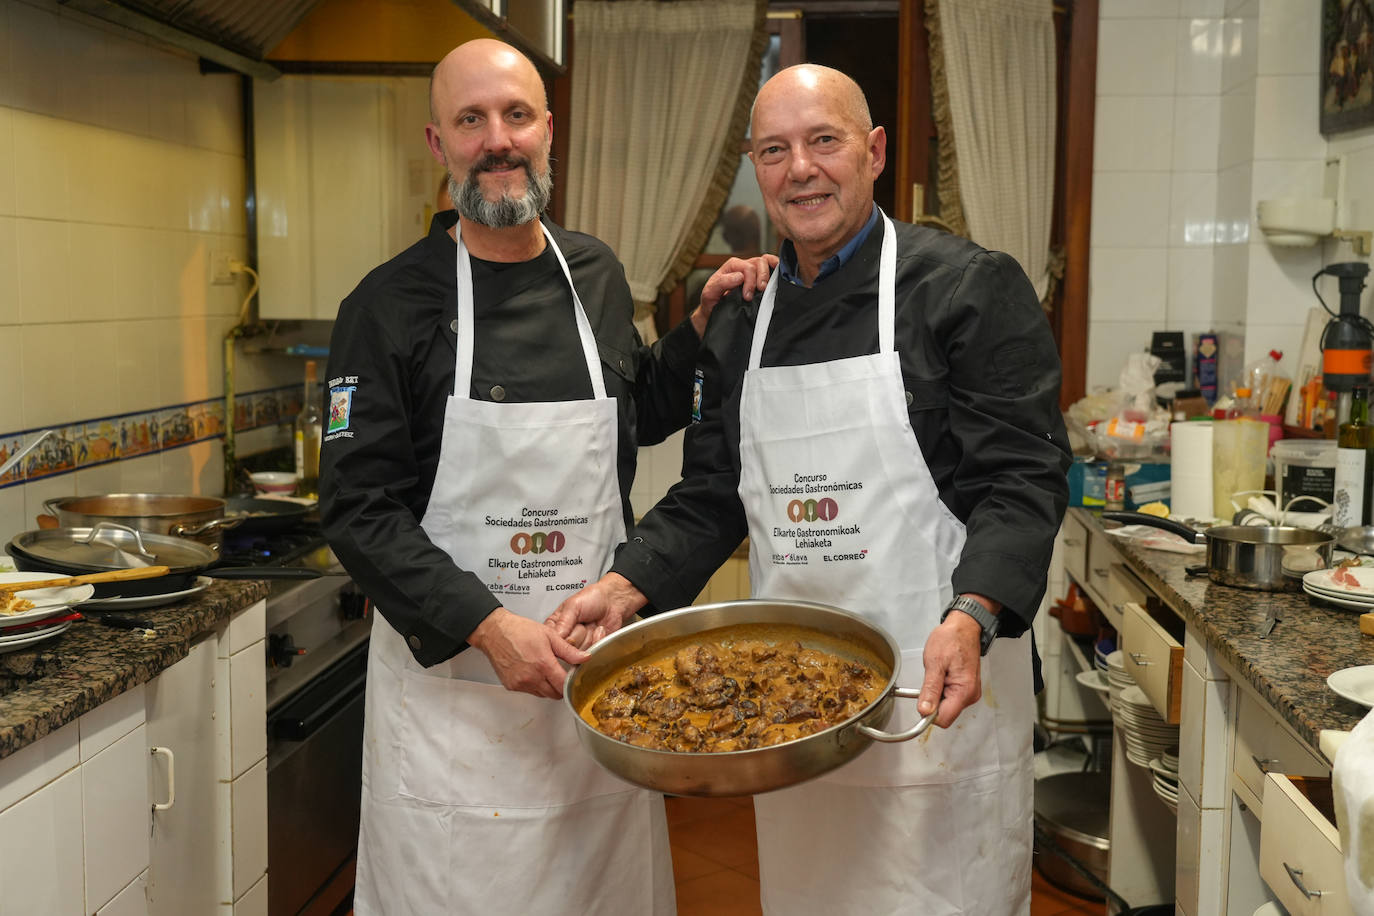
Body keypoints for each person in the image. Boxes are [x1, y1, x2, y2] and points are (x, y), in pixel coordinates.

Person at [549, 64, 1070, 914]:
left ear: (872, 151)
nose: (801, 169)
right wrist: (624, 584)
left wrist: (973, 613)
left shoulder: (968, 288)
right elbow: (714, 494)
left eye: (823, 141)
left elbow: (1023, 478)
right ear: (756, 168)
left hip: (937, 691)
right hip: (793, 717)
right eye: (775, 150)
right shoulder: (744, 316)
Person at [319, 39, 772, 916]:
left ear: (548, 129)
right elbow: (358, 509)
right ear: (437, 142)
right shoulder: (384, 308)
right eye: (471, 120)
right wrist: (491, 630)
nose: (498, 139)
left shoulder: (594, 272)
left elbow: (628, 415)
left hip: (592, 689)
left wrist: (699, 329)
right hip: (456, 708)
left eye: (516, 115)